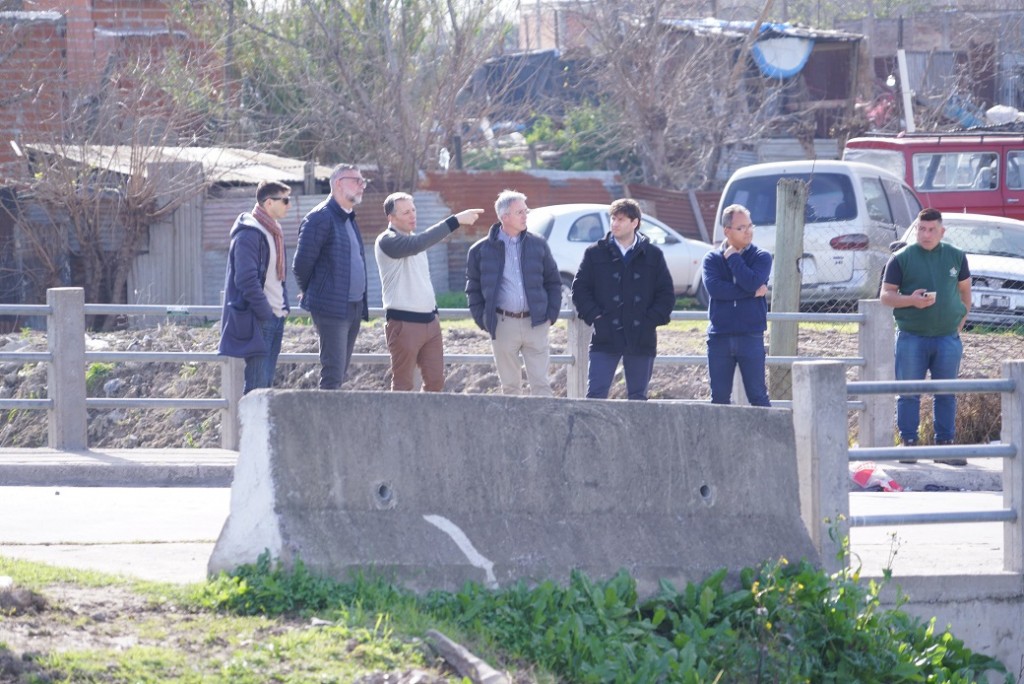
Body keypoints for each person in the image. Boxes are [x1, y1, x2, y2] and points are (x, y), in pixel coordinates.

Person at [880, 207, 971, 465]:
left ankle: (945, 445)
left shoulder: (956, 257)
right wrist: (911, 301)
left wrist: (959, 321)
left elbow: (965, 292)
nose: (926, 234)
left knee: (946, 392)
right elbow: (886, 296)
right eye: (921, 229)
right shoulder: (900, 258)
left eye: (932, 230)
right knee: (908, 392)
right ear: (916, 229)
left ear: (942, 231)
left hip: (947, 338)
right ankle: (909, 444)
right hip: (912, 336)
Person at [375, 193, 483, 391]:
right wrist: (455, 220)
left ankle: (426, 422)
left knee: (435, 382)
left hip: (430, 323)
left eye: (413, 210)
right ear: (391, 217)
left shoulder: (416, 241)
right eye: (406, 212)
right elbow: (416, 245)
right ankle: (401, 423)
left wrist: (434, 316)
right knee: (403, 384)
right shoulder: (387, 241)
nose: (412, 215)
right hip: (404, 323)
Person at [570, 198, 675, 400]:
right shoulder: (595, 253)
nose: (614, 224)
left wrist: (649, 321)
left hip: (641, 337)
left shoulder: (653, 255)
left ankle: (637, 433)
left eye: (620, 219)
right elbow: (580, 289)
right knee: (596, 396)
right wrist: (597, 317)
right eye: (613, 219)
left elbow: (666, 294)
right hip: (605, 335)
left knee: (638, 398)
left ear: (634, 222)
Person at [466, 189, 561, 396]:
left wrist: (550, 316)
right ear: (504, 216)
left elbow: (553, 282)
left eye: (526, 211)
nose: (525, 215)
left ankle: (543, 428)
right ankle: (513, 429)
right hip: (502, 325)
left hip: (536, 323)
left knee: (542, 386)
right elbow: (473, 289)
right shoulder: (479, 250)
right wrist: (483, 320)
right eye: (520, 212)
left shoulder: (538, 244)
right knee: (510, 388)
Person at [292, 163, 370, 390]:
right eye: (356, 181)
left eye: (362, 181)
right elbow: (301, 264)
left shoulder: (348, 218)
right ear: (338, 183)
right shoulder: (320, 218)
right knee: (333, 373)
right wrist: (314, 292)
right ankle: (324, 425)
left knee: (340, 371)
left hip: (353, 307)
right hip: (331, 308)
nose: (361, 186)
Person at [218, 180, 292, 394]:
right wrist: (265, 313)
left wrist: (281, 310)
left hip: (275, 316)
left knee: (266, 386)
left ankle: (258, 428)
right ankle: (249, 428)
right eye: (285, 200)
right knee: (257, 388)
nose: (289, 205)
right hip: (261, 318)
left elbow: (276, 278)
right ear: (269, 203)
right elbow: (246, 279)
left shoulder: (273, 231)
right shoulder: (249, 233)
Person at [701, 204, 772, 406]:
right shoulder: (712, 259)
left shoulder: (761, 256)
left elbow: (750, 280)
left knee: (758, 396)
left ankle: (771, 438)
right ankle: (719, 438)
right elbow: (715, 290)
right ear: (727, 231)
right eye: (741, 228)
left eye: (750, 226)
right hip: (719, 337)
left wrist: (733, 257)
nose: (748, 231)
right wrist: (751, 292)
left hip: (750, 335)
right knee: (719, 398)